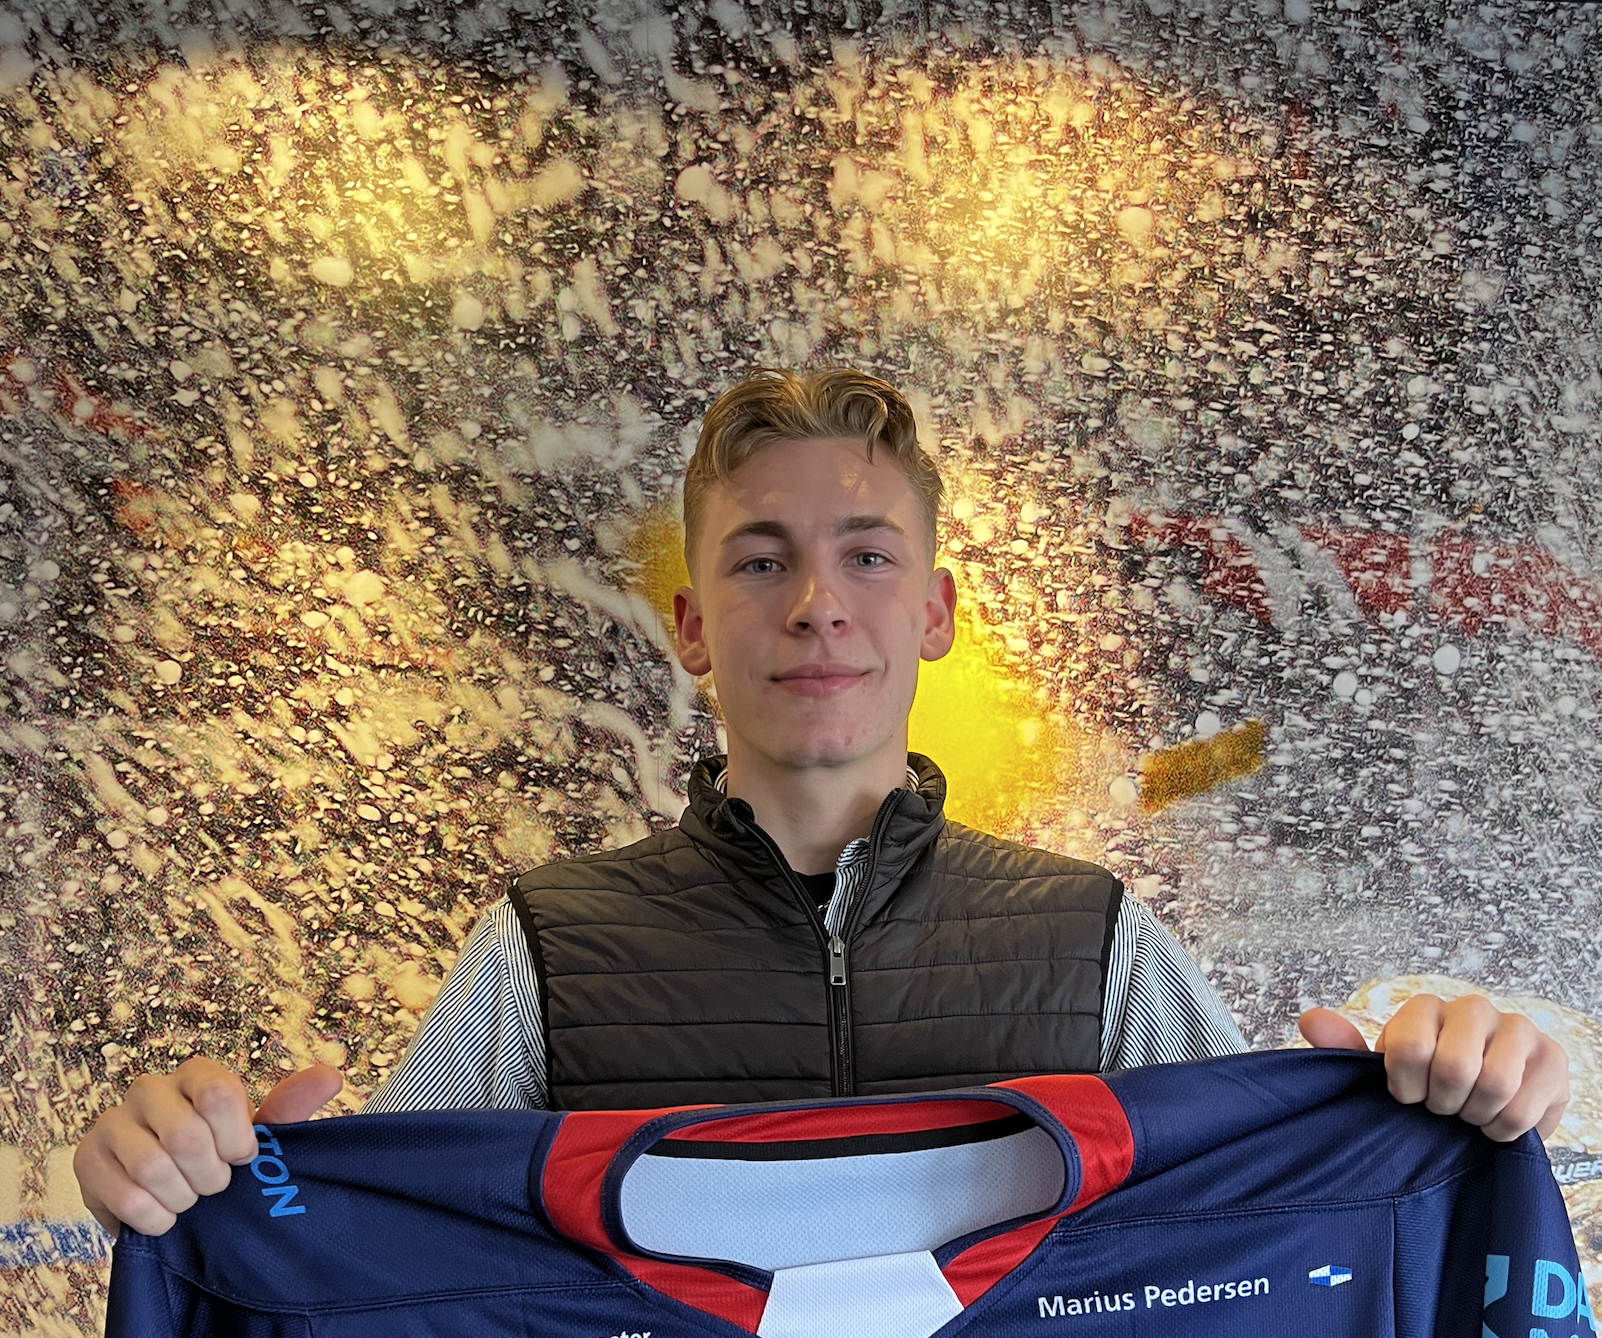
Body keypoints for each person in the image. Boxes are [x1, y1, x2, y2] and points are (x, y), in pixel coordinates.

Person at [74, 369, 1570, 1235]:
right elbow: (380, 1267)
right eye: (758, 559)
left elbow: (1264, 1248)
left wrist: (1450, 1102)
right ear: (687, 626)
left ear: (935, 613)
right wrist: (206, 1181)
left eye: (865, 554)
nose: (813, 604)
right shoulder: (540, 953)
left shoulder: (1099, 944)